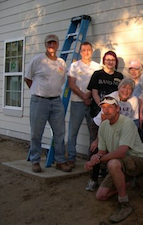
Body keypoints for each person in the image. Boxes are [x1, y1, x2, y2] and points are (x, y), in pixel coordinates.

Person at [84, 96, 143, 223]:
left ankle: (124, 203)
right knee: (101, 195)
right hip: (122, 163)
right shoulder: (103, 126)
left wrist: (100, 158)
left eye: (110, 107)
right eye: (104, 108)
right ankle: (129, 181)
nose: (106, 110)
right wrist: (94, 158)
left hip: (139, 158)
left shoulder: (126, 122)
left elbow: (121, 152)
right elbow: (101, 151)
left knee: (113, 163)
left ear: (118, 108)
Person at [24, 34, 71, 173]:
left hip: (56, 101)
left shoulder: (61, 62)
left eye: (54, 43)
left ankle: (60, 161)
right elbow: (27, 78)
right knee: (36, 133)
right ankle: (35, 161)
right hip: (39, 101)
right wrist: (38, 91)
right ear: (45, 45)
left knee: (60, 132)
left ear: (57, 45)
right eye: (49, 43)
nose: (51, 46)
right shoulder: (37, 60)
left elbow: (61, 81)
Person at [86, 78, 139, 191]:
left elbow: (134, 120)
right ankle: (93, 179)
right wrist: (98, 140)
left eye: (129, 88)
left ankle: (114, 178)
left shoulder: (134, 100)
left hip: (118, 129)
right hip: (99, 126)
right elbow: (104, 120)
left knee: (119, 151)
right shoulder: (111, 98)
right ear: (119, 88)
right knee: (97, 149)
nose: (126, 90)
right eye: (124, 87)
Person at [67, 42, 100, 168]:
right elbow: (71, 84)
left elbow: (97, 85)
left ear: (92, 51)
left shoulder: (97, 67)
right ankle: (71, 158)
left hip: (92, 104)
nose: (86, 52)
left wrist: (89, 96)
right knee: (72, 132)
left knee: (93, 133)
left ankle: (91, 159)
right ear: (80, 52)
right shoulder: (74, 66)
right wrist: (83, 96)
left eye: (89, 50)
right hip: (77, 103)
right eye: (84, 50)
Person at [87, 50, 123, 118]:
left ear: (116, 62)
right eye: (108, 59)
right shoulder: (97, 74)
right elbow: (94, 93)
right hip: (98, 109)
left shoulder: (119, 76)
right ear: (104, 61)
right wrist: (102, 106)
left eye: (113, 60)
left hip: (113, 111)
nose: (110, 62)